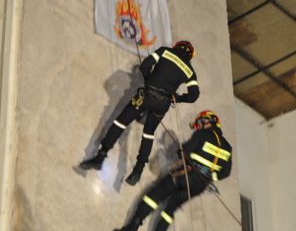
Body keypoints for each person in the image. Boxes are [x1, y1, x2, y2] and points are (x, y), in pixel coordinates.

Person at [80, 40, 200, 185]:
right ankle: (137, 171)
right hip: (162, 104)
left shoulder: (165, 51)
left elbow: (145, 66)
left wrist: (149, 81)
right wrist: (177, 98)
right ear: (190, 55)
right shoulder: (189, 70)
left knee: (121, 122)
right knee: (148, 134)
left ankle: (100, 156)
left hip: (146, 95)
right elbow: (194, 96)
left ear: (177, 46)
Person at [114, 110, 232, 231]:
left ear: (209, 121)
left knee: (155, 195)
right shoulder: (228, 148)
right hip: (200, 185)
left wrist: (180, 150)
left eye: (201, 123)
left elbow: (183, 152)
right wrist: (209, 176)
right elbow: (225, 173)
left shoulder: (202, 134)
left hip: (185, 175)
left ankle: (132, 227)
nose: (199, 126)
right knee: (170, 209)